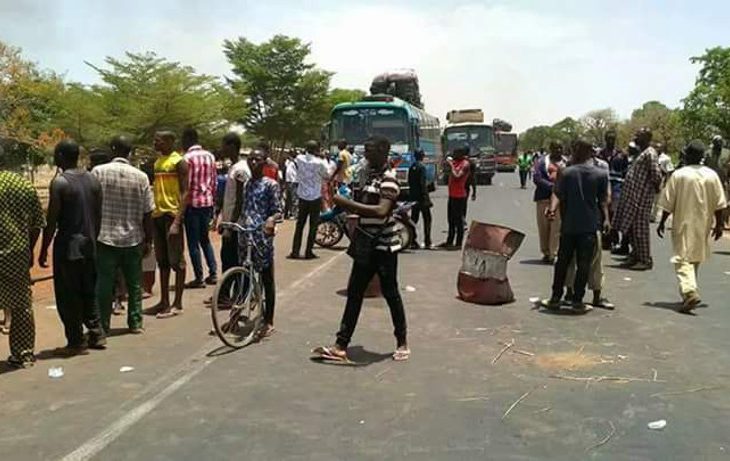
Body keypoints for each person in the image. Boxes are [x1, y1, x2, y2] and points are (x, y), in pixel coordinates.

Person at [312, 136, 409, 362]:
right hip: (365, 243)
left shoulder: (389, 180)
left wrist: (345, 204)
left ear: (383, 153)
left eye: (371, 151)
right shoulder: (366, 176)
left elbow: (381, 211)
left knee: (391, 293)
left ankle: (402, 341)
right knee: (354, 293)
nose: (366, 155)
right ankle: (340, 345)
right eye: (365, 150)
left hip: (384, 246)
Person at [39, 140, 105, 353]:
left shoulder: (60, 183)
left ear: (60, 156)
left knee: (68, 294)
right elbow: (98, 216)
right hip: (90, 244)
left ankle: (76, 341)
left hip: (68, 246)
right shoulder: (93, 180)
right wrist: (94, 238)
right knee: (89, 289)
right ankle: (96, 333)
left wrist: (43, 251)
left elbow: (51, 221)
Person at [92, 135, 154, 335]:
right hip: (133, 238)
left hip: (104, 237)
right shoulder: (141, 176)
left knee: (104, 284)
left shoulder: (98, 172)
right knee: (134, 283)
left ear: (112, 149)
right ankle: (135, 323)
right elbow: (148, 212)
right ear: (130, 151)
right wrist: (149, 240)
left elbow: (92, 206)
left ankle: (103, 324)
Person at [657, 140, 727, 313]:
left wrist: (662, 221)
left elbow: (668, 203)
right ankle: (689, 294)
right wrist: (718, 225)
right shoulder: (712, 175)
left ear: (688, 155)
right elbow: (720, 204)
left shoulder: (680, 175)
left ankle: (689, 292)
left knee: (682, 258)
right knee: (694, 257)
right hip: (704, 223)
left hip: (683, 222)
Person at [542, 139, 609, 313]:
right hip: (589, 226)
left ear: (576, 150)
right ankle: (577, 301)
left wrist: (552, 209)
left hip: (569, 226)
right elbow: (603, 202)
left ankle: (556, 297)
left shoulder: (566, 173)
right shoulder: (600, 174)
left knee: (563, 263)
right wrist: (607, 220)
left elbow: (557, 193)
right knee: (584, 264)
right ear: (591, 152)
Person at [231, 149, 282, 339]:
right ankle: (236, 316)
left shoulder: (271, 185)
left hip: (262, 236)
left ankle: (269, 320)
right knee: (244, 275)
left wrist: (270, 219)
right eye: (250, 159)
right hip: (245, 234)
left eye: (257, 159)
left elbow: (278, 211)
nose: (253, 162)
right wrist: (230, 225)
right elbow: (241, 206)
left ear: (264, 162)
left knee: (267, 278)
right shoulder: (246, 184)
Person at [0, 161, 46, 368]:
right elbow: (38, 223)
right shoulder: (23, 185)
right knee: (21, 306)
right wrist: (28, 249)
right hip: (16, 255)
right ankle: (23, 353)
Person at [564, 147, 614, 309]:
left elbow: (604, 197)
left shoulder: (601, 168)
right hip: (573, 223)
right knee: (571, 261)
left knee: (594, 261)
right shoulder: (569, 169)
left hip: (593, 222)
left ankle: (596, 295)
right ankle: (570, 293)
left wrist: (606, 218)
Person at [147, 131, 189, 319]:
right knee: (162, 262)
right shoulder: (157, 163)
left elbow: (186, 192)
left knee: (177, 261)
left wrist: (178, 220)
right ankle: (163, 301)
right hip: (158, 214)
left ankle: (177, 303)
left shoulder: (179, 162)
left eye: (159, 140)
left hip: (172, 215)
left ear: (170, 141)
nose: (155, 143)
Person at [612, 128, 663, 270]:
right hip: (632, 197)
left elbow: (656, 175)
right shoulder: (642, 152)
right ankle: (635, 256)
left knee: (640, 230)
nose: (635, 137)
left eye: (638, 135)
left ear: (646, 138)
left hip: (641, 198)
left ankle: (645, 260)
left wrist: (650, 191)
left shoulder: (650, 153)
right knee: (632, 229)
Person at [180, 128, 218, 289]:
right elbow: (214, 182)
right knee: (205, 239)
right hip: (207, 203)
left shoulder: (186, 158)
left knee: (193, 243)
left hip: (192, 204)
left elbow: (185, 186)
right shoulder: (210, 156)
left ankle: (199, 277)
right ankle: (214, 272)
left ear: (187, 140)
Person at [289, 140, 328, 260]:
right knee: (313, 225)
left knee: (299, 225)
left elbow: (295, 162)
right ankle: (308, 252)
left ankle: (295, 251)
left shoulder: (299, 159)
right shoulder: (320, 163)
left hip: (302, 195)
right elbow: (326, 175)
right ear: (317, 150)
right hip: (315, 196)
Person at [218, 132, 251, 273]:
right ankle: (226, 292)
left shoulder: (240, 169)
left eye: (223, 145)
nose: (221, 148)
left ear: (231, 146)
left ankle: (231, 293)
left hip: (237, 225)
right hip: (230, 221)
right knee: (226, 259)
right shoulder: (233, 167)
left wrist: (230, 226)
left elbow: (240, 200)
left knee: (232, 260)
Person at [533, 141, 565, 263]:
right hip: (543, 199)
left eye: (560, 148)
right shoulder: (541, 162)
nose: (558, 150)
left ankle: (553, 253)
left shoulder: (566, 163)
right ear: (550, 149)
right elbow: (537, 178)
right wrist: (552, 187)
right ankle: (546, 252)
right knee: (544, 227)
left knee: (556, 227)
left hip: (560, 200)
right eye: (556, 148)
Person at [438, 146, 471, 250]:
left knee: (458, 221)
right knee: (451, 220)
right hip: (452, 195)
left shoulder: (465, 164)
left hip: (459, 196)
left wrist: (451, 165)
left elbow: (457, 176)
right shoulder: (456, 162)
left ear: (461, 154)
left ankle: (458, 243)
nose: (454, 155)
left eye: (456, 153)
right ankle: (449, 241)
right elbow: (446, 171)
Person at [408, 149, 433, 249]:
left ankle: (412, 240)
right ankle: (427, 241)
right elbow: (422, 184)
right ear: (422, 156)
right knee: (427, 219)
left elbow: (410, 182)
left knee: (414, 219)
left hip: (414, 197)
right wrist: (427, 199)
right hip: (422, 198)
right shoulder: (421, 167)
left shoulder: (412, 167)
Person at [651, 144, 675, 222]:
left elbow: (670, 170)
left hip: (661, 178)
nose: (657, 149)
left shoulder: (666, 158)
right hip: (651, 178)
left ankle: (653, 216)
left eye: (659, 147)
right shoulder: (652, 156)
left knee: (657, 199)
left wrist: (667, 182)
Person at [283, 151, 298, 219]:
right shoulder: (287, 162)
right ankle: (286, 213)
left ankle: (294, 214)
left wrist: (293, 161)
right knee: (288, 198)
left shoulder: (297, 161)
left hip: (294, 181)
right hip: (288, 181)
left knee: (294, 198)